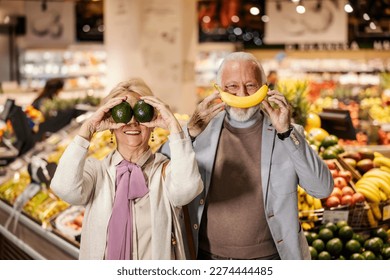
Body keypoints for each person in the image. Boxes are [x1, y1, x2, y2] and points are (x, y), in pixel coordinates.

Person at [161, 52, 334, 260]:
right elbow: (160, 173)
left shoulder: (287, 132)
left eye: (250, 85)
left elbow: (322, 189)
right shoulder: (200, 129)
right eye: (232, 86)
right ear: (219, 91)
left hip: (271, 259)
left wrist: (287, 134)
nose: (242, 94)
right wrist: (188, 134)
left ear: (264, 89)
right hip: (206, 258)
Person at [51, 78, 203, 260]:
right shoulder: (97, 171)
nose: (132, 122)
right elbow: (64, 189)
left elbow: (187, 190)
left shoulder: (166, 171)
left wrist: (174, 128)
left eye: (139, 114)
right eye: (124, 113)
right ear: (111, 123)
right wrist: (88, 129)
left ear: (152, 124)